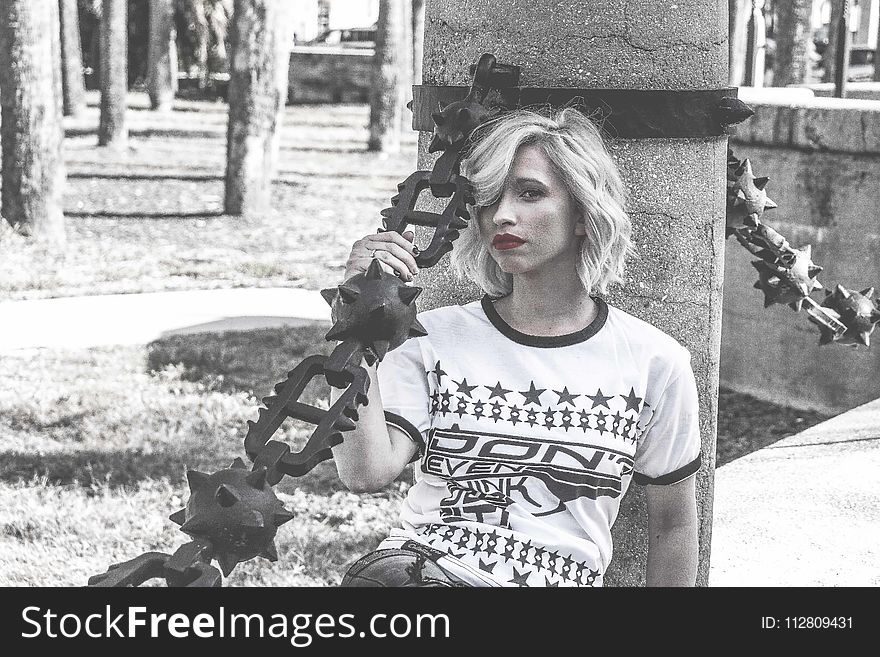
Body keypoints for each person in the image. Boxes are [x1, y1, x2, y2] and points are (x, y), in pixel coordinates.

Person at [331, 108, 701, 587]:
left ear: (584, 215)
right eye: (488, 199)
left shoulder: (655, 362)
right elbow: (364, 472)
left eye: (530, 194)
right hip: (423, 574)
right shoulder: (431, 338)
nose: (502, 214)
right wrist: (356, 316)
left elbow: (673, 524)